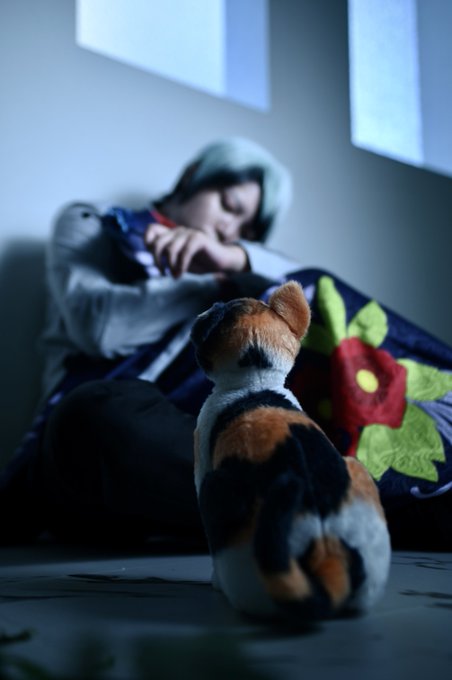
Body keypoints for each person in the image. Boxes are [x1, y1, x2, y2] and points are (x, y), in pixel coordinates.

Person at [0, 137, 298, 546]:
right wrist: (207, 283)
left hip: (189, 439)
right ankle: (297, 502)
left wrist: (235, 259)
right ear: (193, 177)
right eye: (229, 206)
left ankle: (281, 504)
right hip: (99, 450)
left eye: (246, 232)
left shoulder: (239, 268)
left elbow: (310, 284)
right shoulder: (92, 221)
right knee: (95, 413)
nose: (229, 230)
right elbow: (97, 328)